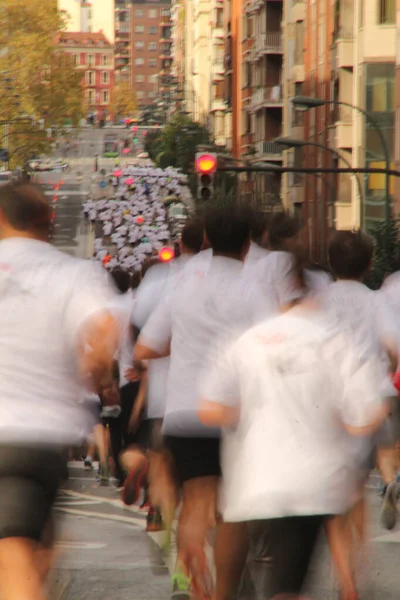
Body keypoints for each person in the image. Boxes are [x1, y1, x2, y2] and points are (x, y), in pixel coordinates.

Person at [198, 294, 389, 600]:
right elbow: (364, 419)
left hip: (257, 485)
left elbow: (209, 409)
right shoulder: (333, 338)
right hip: (314, 483)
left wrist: (249, 413)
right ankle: (347, 583)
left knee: (278, 578)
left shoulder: (247, 339)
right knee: (288, 583)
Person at [135, 208, 278, 600]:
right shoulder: (257, 289)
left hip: (185, 411)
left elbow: (145, 346)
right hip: (236, 413)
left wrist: (181, 345)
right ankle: (223, 594)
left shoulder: (183, 286)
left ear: (208, 242)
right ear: (249, 243)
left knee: (196, 505)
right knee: (234, 510)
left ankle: (188, 582)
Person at [0, 182, 118, 600]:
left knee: (16, 562)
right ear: (47, 223)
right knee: (30, 552)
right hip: (41, 437)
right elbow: (104, 330)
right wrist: (95, 372)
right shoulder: (73, 273)